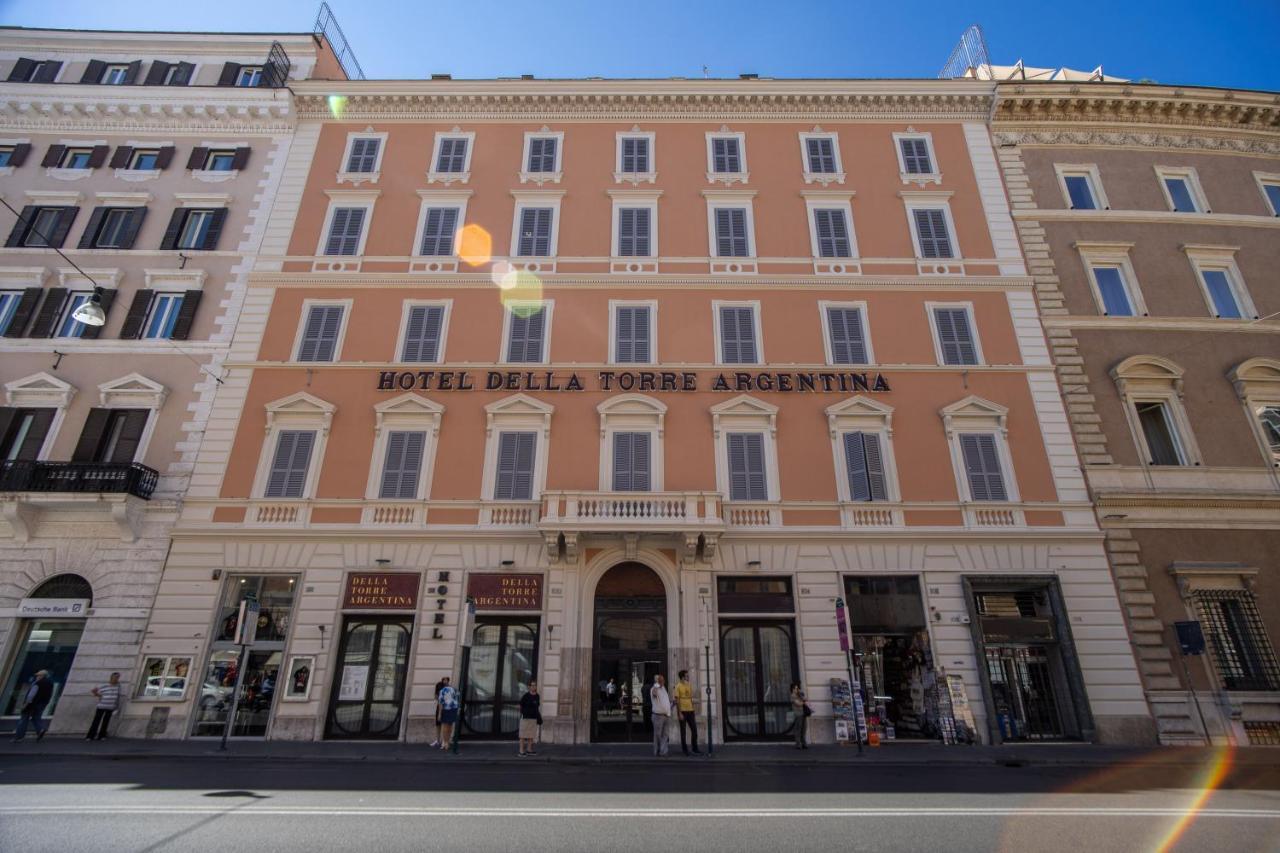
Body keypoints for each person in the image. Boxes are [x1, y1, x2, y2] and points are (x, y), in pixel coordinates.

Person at [13, 670, 53, 742]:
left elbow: (31, 695)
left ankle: (19, 736)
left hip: (31, 704)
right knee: (36, 718)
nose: (37, 677)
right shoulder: (50, 684)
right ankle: (40, 729)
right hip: (42, 703)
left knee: (24, 719)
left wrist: (25, 704)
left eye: (38, 675)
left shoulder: (37, 683)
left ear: (42, 676)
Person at [86, 672, 121, 741]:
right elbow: (93, 690)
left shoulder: (118, 686)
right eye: (115, 677)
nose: (116, 679)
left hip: (110, 706)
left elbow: (118, 696)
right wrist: (100, 696)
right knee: (96, 721)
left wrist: (116, 706)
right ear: (111, 677)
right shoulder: (104, 685)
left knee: (106, 721)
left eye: (118, 677)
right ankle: (90, 736)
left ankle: (101, 736)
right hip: (101, 706)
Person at [673, 670, 701, 756]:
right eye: (686, 676)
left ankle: (695, 748)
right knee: (683, 732)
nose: (688, 677)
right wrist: (679, 713)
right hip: (683, 712)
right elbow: (677, 701)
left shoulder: (689, 685)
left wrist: (693, 706)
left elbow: (690, 697)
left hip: (690, 711)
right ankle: (685, 750)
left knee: (694, 730)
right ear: (682, 677)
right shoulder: (678, 687)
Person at [649, 673, 672, 757]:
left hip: (666, 715)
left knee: (665, 735)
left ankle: (663, 751)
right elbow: (654, 694)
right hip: (658, 716)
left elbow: (665, 701)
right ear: (657, 681)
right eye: (661, 680)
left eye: (663, 680)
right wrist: (656, 685)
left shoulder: (664, 689)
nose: (663, 681)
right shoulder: (654, 689)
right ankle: (657, 750)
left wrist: (671, 704)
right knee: (658, 735)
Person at [518, 679, 542, 756]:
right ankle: (521, 751)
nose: (534, 687)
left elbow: (537, 706)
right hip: (525, 718)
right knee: (522, 735)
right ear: (529, 687)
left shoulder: (537, 696)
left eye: (535, 685)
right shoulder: (526, 696)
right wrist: (524, 713)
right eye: (532, 685)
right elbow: (520, 706)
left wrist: (538, 717)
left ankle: (529, 749)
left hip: (533, 718)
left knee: (531, 735)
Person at [437, 678, 459, 750]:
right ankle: (447, 742)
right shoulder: (454, 689)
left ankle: (446, 742)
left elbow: (441, 703)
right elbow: (457, 698)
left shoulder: (442, 691)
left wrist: (439, 714)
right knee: (449, 726)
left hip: (446, 709)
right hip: (453, 708)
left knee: (445, 726)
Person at [430, 677, 450, 747]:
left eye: (446, 680)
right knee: (438, 724)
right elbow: (436, 696)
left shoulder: (449, 689)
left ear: (448, 681)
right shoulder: (439, 686)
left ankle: (444, 741)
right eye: (444, 680)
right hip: (440, 707)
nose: (445, 681)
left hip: (446, 708)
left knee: (445, 725)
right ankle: (438, 740)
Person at [790, 682, 809, 750]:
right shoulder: (792, 696)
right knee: (798, 729)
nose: (796, 690)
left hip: (803, 713)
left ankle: (804, 743)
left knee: (804, 729)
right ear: (792, 689)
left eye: (797, 688)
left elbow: (806, 699)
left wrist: (801, 693)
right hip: (798, 714)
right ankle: (798, 744)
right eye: (795, 688)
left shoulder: (799, 695)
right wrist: (803, 702)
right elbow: (798, 704)